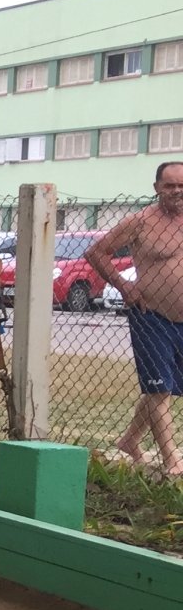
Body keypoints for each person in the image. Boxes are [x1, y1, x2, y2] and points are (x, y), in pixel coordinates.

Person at [88, 160, 183, 477]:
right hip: (151, 314)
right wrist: (123, 286)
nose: (176, 191)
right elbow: (96, 252)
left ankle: (130, 440)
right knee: (158, 390)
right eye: (169, 185)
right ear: (157, 188)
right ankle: (172, 462)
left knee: (164, 386)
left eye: (181, 185)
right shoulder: (141, 222)